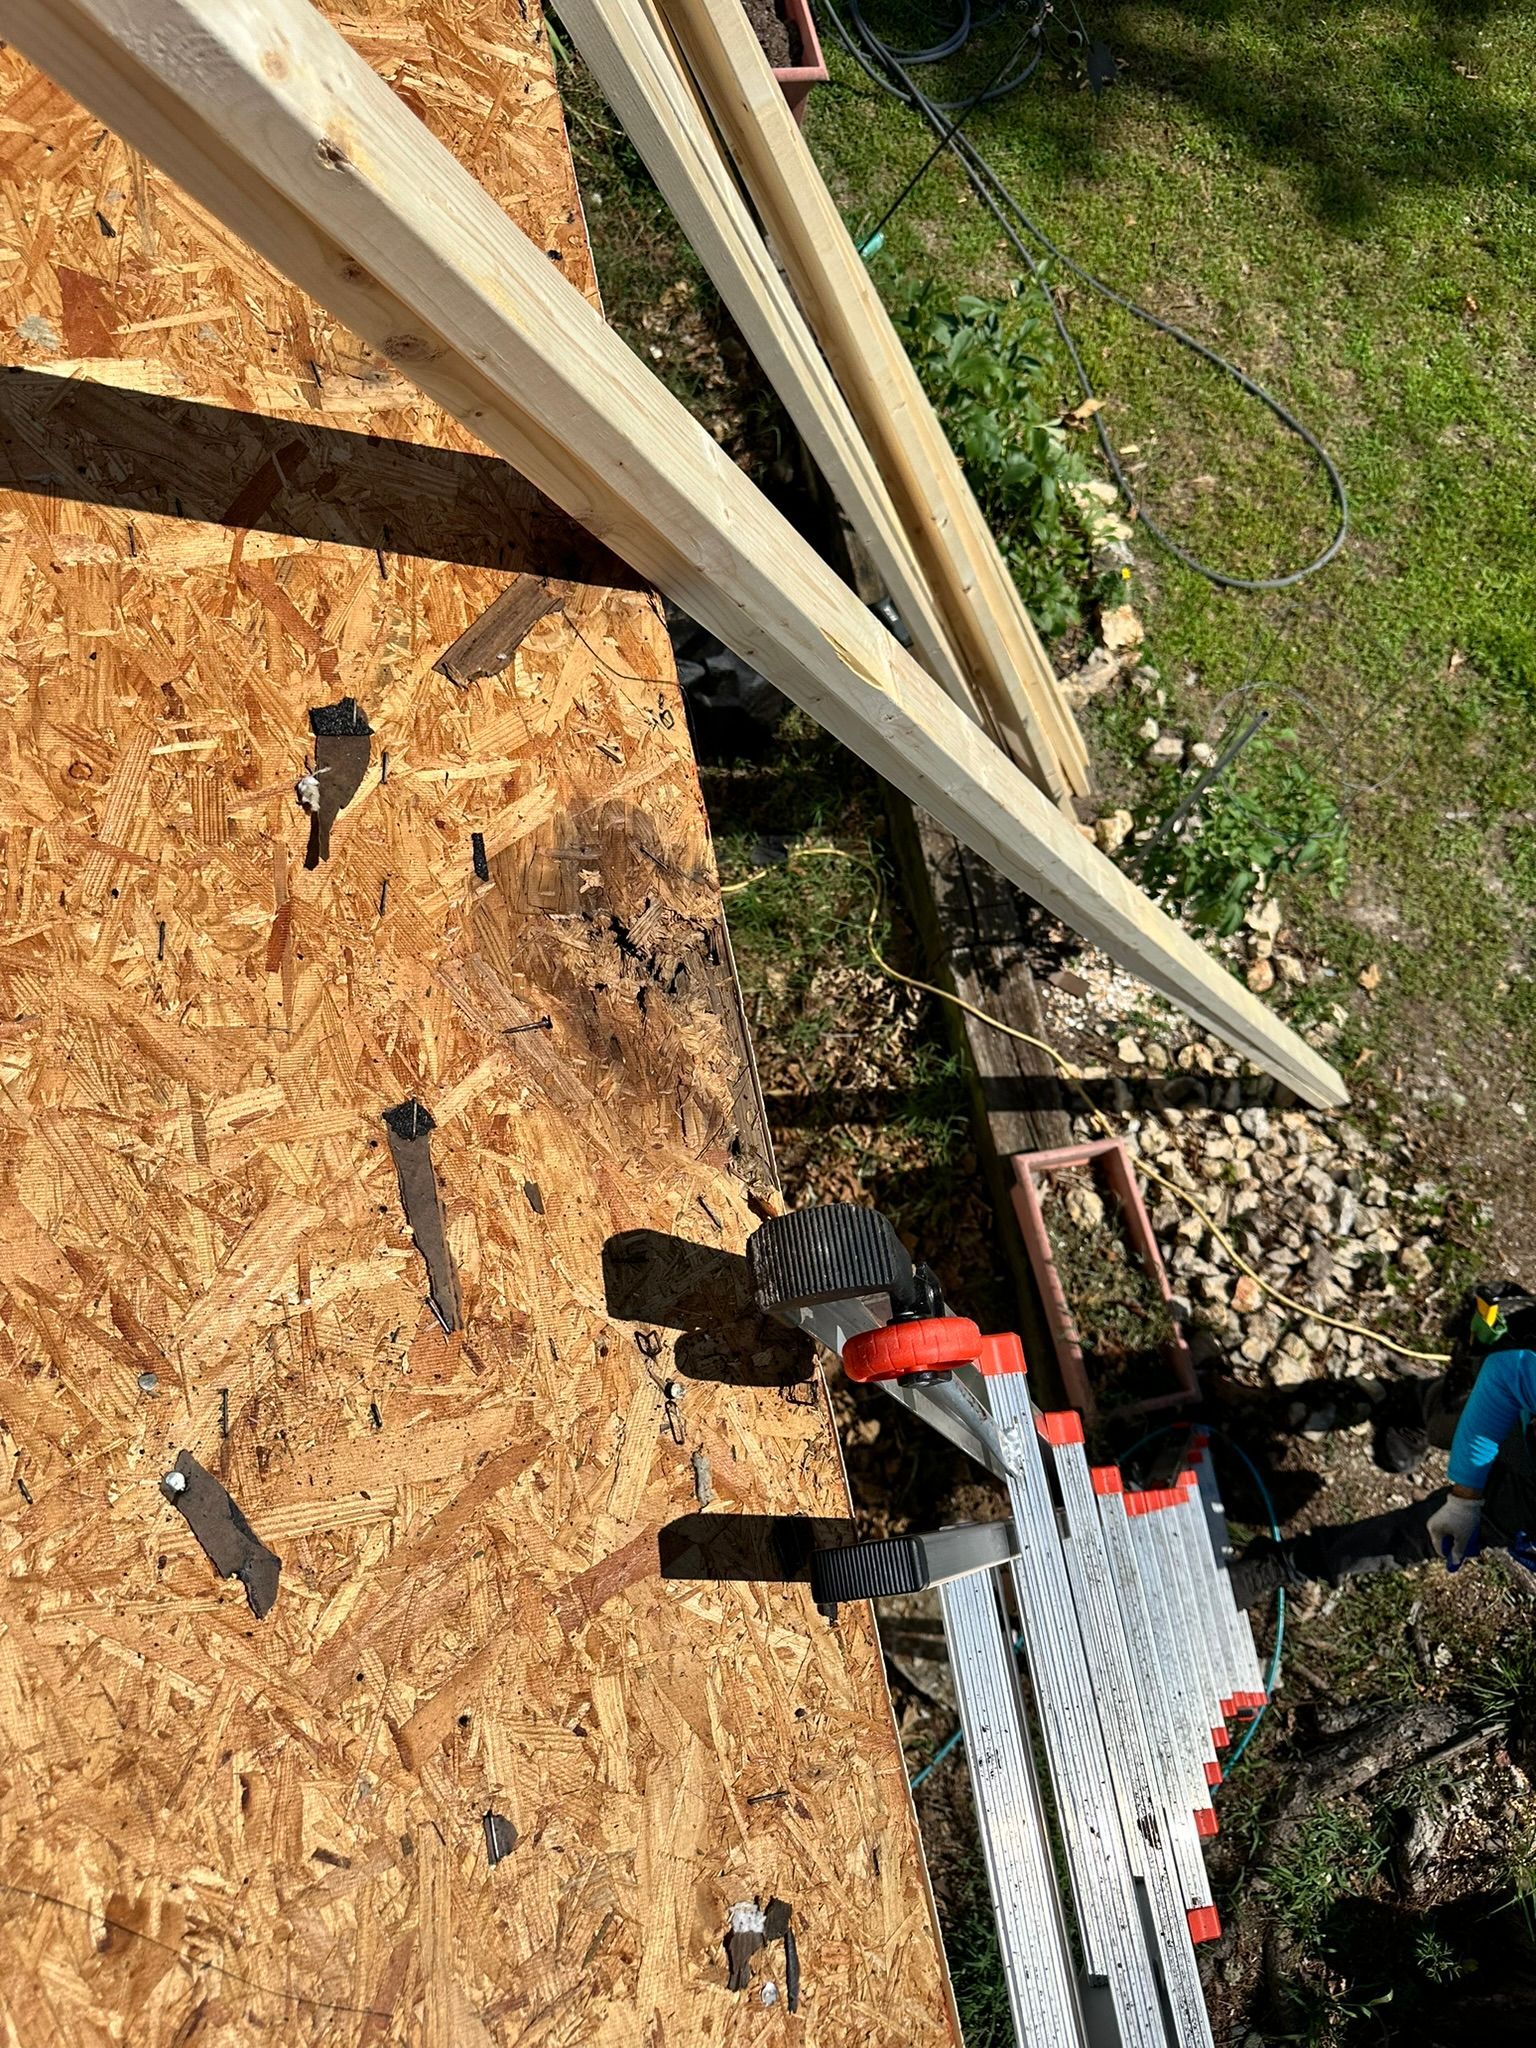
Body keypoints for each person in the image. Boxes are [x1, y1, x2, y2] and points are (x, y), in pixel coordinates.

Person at [1229, 1286, 1536, 1607]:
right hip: (1518, 1412)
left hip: (1526, 1506)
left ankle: (1286, 1563)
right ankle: (1412, 1401)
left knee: (1418, 1536)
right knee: (1452, 1421)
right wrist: (1465, 1499)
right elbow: (1505, 1377)